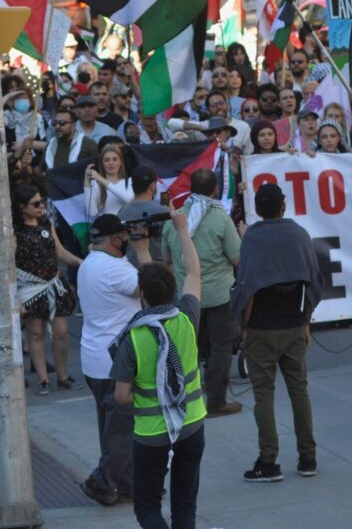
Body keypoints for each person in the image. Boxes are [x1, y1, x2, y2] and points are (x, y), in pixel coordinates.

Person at [112, 209, 206, 529]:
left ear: (143, 298)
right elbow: (194, 274)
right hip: (192, 422)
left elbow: (122, 396)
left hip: (152, 434)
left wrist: (140, 251)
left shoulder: (133, 339)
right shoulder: (186, 317)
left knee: (149, 508)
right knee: (184, 507)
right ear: (172, 289)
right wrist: (182, 231)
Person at [232, 183, 323, 482]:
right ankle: (307, 457)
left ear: (258, 209)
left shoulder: (253, 238)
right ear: (283, 206)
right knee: (299, 389)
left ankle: (268, 460)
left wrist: (244, 327)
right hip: (295, 323)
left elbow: (248, 288)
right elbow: (312, 282)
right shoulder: (298, 233)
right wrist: (306, 322)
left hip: (261, 327)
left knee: (264, 395)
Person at [77, 214, 149, 506]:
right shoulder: (113, 269)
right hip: (115, 362)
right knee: (121, 432)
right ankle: (103, 483)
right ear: (116, 238)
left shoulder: (90, 263)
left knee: (112, 430)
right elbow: (151, 288)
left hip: (94, 359)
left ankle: (127, 484)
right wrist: (143, 251)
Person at [162, 169, 242, 418]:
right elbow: (237, 258)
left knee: (188, 349)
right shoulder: (221, 219)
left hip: (186, 298)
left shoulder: (173, 221)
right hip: (219, 296)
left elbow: (166, 260)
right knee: (221, 347)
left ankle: (187, 402)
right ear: (215, 190)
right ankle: (216, 401)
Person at [12, 185, 83, 395]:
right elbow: (9, 263)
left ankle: (63, 376)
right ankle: (43, 380)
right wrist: (16, 299)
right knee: (36, 333)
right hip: (31, 289)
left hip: (53, 284)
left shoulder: (46, 222)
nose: (41, 206)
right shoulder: (15, 231)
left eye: (41, 201)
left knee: (61, 332)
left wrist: (83, 262)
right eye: (35, 204)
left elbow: (60, 252)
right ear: (22, 207)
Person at [117, 166, 166, 266]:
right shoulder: (163, 212)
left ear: (132, 185)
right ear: (152, 186)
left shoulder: (122, 212)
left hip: (130, 269)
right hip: (158, 271)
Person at [86, 143, 134, 217]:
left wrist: (100, 178)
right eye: (107, 160)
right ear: (102, 163)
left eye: (115, 159)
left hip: (124, 227)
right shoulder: (96, 184)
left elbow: (128, 199)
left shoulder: (129, 181)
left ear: (120, 162)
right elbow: (91, 213)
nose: (111, 163)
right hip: (105, 226)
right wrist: (86, 182)